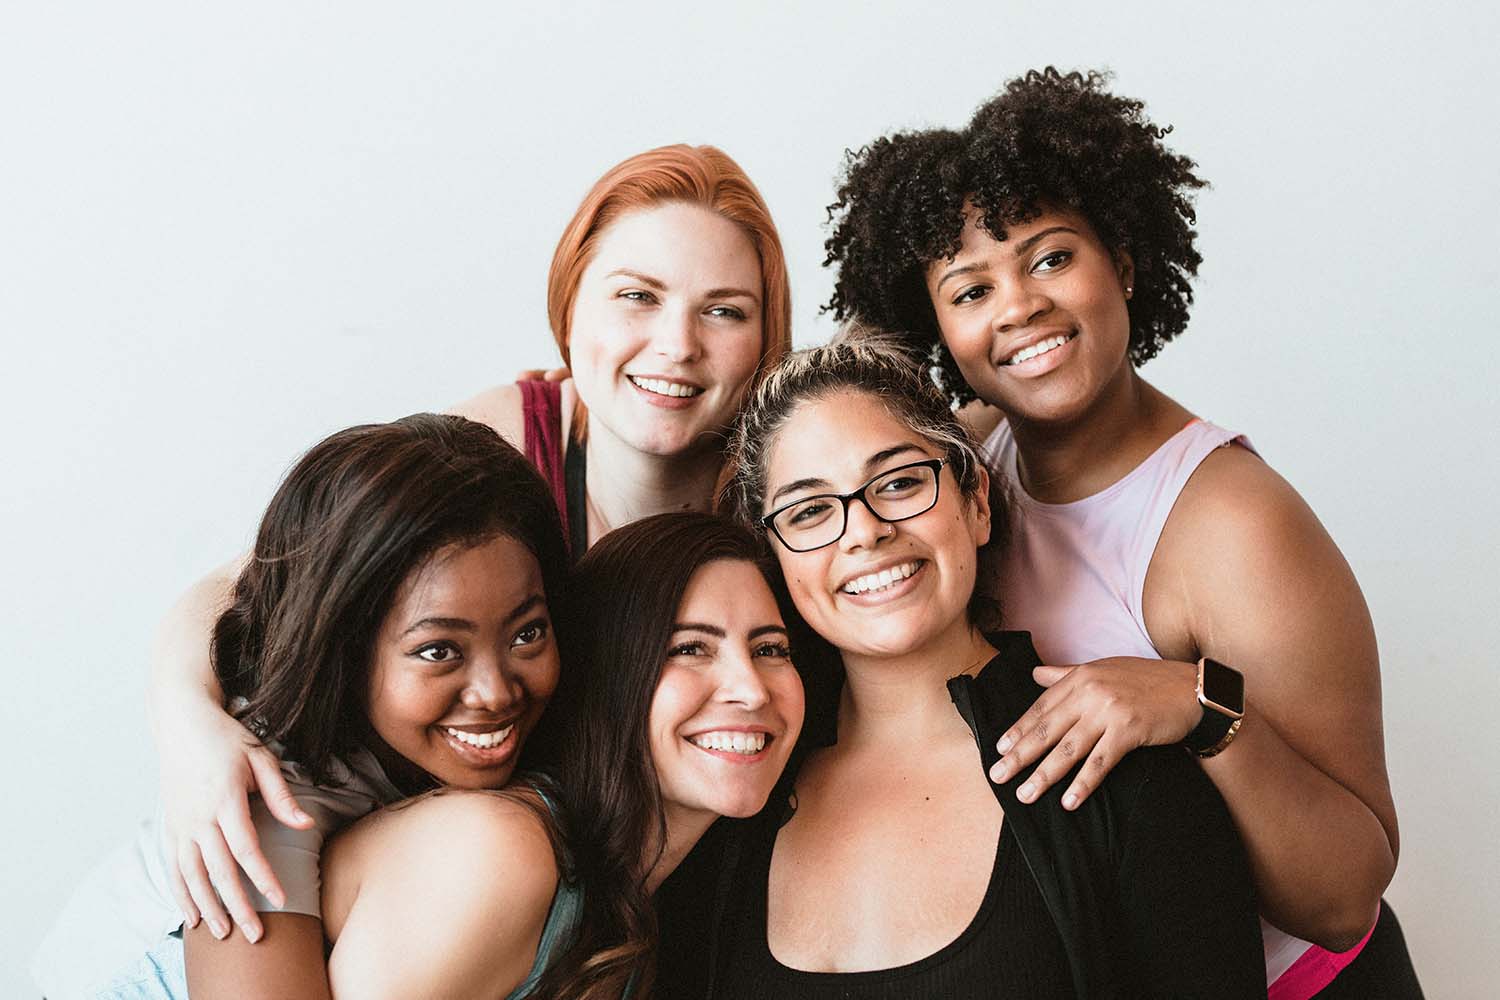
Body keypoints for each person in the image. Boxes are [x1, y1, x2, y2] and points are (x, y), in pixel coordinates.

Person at [823, 68, 1419, 998]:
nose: (1019, 305)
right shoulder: (967, 464)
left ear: (1125, 261)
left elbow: (1346, 896)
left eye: (1052, 258)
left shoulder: (1234, 524)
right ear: (937, 329)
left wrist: (1198, 705)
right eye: (969, 289)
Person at [146, 142, 793, 941]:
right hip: (390, 885)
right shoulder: (504, 446)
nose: (677, 344)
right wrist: (186, 727)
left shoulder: (787, 488)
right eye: (637, 296)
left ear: (769, 337)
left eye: (723, 310)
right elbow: (252, 588)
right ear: (570, 305)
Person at [656, 340, 1266, 998]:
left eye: (898, 483)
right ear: (776, 558)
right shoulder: (728, 793)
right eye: (809, 512)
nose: (863, 532)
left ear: (976, 500)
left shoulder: (1124, 776)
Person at [34, 413, 570, 999]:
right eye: (439, 650)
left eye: (526, 634)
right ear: (344, 651)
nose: (495, 691)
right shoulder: (267, 791)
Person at [318, 512, 804, 999]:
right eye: (690, 648)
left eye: (770, 649)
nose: (751, 690)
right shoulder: (498, 851)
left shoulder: (636, 909)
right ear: (610, 669)